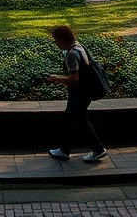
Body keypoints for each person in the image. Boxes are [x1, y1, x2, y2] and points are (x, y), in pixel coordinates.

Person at [46, 24, 107, 163]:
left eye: (56, 41)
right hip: (85, 91)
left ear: (62, 40)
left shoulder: (71, 54)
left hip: (80, 93)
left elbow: (74, 78)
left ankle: (97, 149)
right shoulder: (78, 46)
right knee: (73, 119)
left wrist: (56, 79)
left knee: (77, 119)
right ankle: (65, 150)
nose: (55, 44)